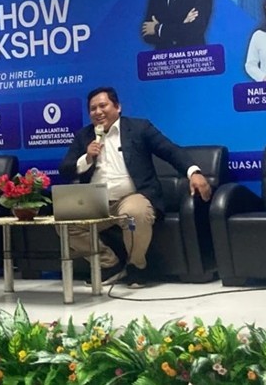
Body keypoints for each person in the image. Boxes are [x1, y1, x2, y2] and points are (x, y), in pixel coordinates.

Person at [58, 87, 212, 288]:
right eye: (93, 109)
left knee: (133, 215)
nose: (98, 112)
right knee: (65, 223)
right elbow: (65, 170)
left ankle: (137, 266)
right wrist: (86, 158)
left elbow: (170, 151)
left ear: (118, 107)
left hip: (131, 197)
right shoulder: (84, 136)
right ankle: (109, 264)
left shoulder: (139, 128)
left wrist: (194, 172)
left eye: (103, 105)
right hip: (96, 202)